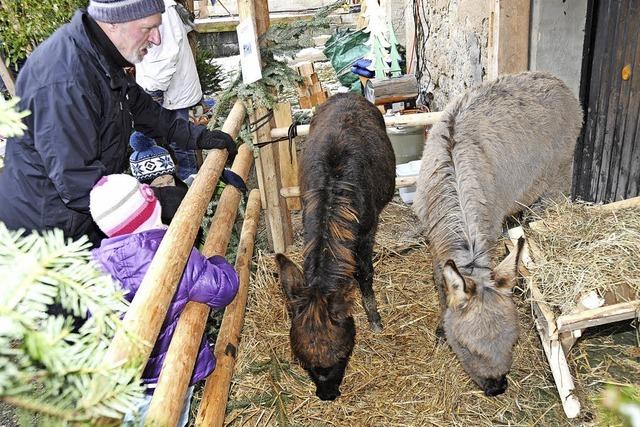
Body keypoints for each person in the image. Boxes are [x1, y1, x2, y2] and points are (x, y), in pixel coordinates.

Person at [0, 0, 237, 246]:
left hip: (79, 218)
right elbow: (75, 180)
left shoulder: (102, 56)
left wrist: (199, 137)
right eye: (148, 28)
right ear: (114, 23)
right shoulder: (65, 80)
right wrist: (153, 201)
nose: (156, 39)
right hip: (44, 233)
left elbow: (147, 111)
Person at [89, 173, 239, 426]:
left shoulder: (94, 266)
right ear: (153, 206)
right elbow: (222, 288)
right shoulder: (172, 251)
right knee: (171, 416)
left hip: (123, 379)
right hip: (167, 373)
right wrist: (216, 261)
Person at [135, 0, 202, 181]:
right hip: (163, 87)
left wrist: (154, 91)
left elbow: (166, 55)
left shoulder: (161, 9)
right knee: (172, 141)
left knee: (180, 141)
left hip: (168, 91)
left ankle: (190, 185)